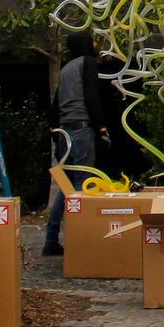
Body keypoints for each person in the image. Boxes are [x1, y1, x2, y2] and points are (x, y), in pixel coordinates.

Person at [42, 31, 110, 256]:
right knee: (82, 186)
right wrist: (101, 127)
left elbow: (53, 106)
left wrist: (56, 135)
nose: (95, 43)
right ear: (85, 44)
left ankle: (51, 239)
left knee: (66, 187)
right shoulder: (88, 63)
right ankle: (81, 244)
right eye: (92, 39)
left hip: (64, 132)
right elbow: (91, 97)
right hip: (81, 129)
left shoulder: (66, 68)